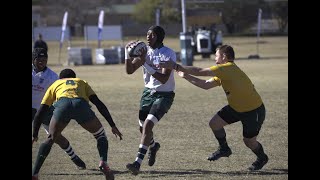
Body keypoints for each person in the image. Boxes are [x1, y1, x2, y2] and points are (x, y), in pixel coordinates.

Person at [159, 45, 268, 171]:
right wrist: (186, 76)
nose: (215, 59)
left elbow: (200, 71)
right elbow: (205, 85)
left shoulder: (228, 68)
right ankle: (224, 149)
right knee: (215, 124)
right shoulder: (224, 72)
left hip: (253, 110)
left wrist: (175, 65)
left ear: (224, 57)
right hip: (236, 108)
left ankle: (262, 158)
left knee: (249, 141)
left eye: (216, 56)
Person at [32, 68, 123, 180]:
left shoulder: (56, 84)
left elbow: (41, 111)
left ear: (61, 78)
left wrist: (35, 133)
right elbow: (98, 103)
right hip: (80, 104)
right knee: (100, 135)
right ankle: (103, 162)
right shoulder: (81, 82)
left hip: (62, 105)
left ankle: (35, 173)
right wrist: (112, 125)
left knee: (51, 138)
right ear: (74, 77)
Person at [125, 25, 176, 175]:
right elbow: (129, 71)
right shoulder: (144, 52)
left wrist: (144, 63)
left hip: (164, 95)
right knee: (142, 129)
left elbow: (164, 78)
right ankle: (153, 146)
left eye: (152, 35)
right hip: (147, 93)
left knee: (147, 126)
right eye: (147, 34)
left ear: (159, 37)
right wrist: (127, 54)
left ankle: (137, 164)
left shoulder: (168, 53)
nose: (148, 37)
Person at [32, 47, 86, 170]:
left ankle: (74, 157)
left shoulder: (52, 76)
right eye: (39, 59)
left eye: (44, 59)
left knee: (55, 136)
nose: (42, 61)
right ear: (33, 59)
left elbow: (60, 93)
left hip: (45, 109)